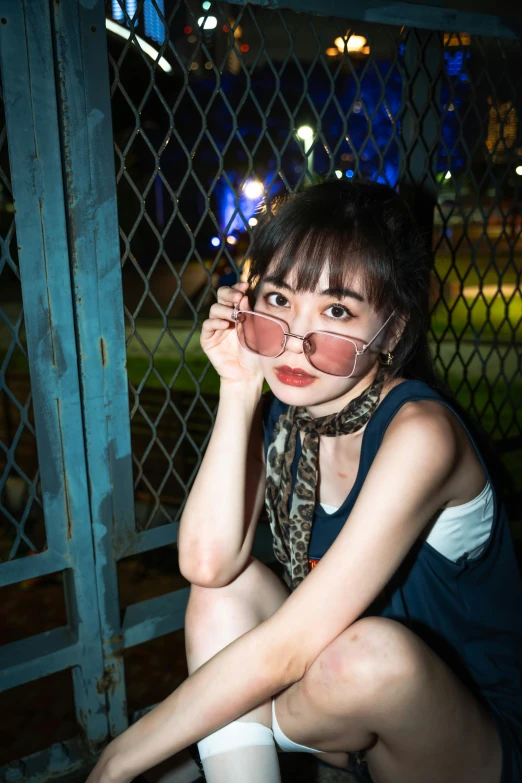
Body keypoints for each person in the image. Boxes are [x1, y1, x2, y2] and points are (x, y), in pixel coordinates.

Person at [86, 179, 522, 783]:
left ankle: (224, 747)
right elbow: (207, 565)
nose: (294, 341)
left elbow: (298, 644)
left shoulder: (422, 434)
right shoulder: (293, 423)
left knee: (368, 657)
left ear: (390, 334)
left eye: (337, 311)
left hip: (462, 739)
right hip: (345, 713)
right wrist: (239, 390)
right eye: (279, 300)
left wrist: (127, 754)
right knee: (224, 594)